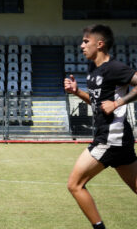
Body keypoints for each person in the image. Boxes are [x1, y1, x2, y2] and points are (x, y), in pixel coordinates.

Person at [64, 24, 137, 229]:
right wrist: (78, 92)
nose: (81, 46)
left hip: (110, 138)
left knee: (74, 185)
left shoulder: (115, 68)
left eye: (86, 41)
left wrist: (118, 103)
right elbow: (97, 102)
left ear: (100, 44)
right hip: (120, 138)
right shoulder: (93, 70)